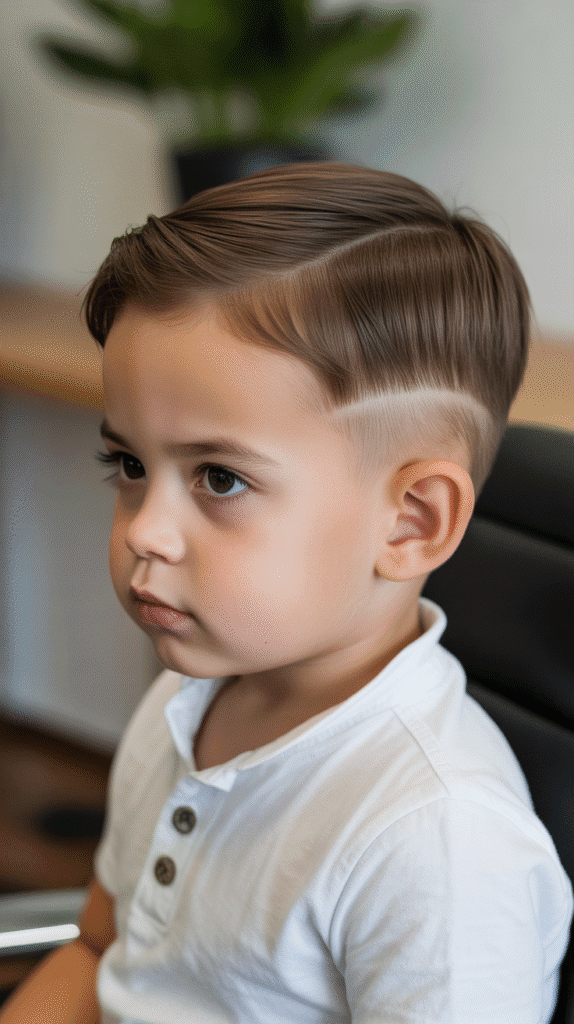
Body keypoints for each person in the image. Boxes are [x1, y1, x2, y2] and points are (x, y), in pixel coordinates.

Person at [2, 162, 571, 1024]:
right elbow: (99, 950)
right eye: (129, 465)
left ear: (411, 521)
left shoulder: (439, 844)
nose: (145, 531)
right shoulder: (183, 702)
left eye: (220, 478)